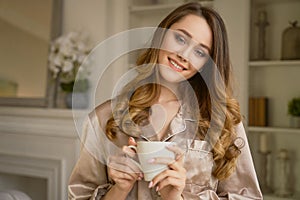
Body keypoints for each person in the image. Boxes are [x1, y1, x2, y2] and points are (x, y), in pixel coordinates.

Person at [68, 2, 262, 200]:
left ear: (206, 64)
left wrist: (175, 197)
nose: (183, 55)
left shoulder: (223, 122)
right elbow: (78, 195)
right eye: (180, 38)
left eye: (200, 52)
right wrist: (119, 189)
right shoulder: (103, 118)